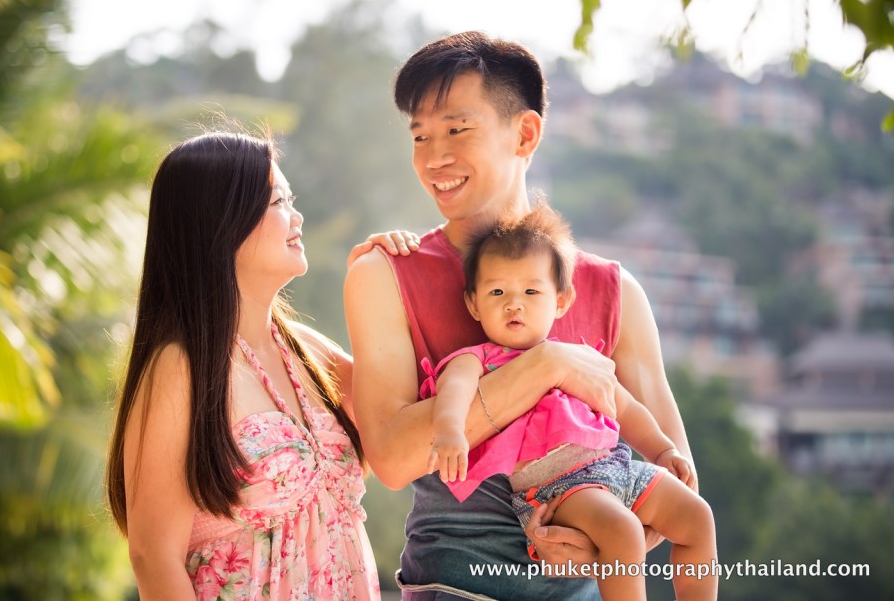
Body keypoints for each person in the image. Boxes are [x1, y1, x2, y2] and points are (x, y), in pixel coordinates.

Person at [344, 31, 699, 600]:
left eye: (458, 129)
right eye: (420, 136)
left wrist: (606, 544)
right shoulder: (386, 275)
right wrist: (546, 364)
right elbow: (389, 458)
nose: (435, 157)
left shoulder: (614, 291)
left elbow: (675, 474)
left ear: (525, 133)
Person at [105, 130, 418, 600]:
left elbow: (409, 419)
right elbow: (153, 557)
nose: (298, 216)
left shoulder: (305, 350)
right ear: (220, 223)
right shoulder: (181, 367)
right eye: (278, 202)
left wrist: (392, 280)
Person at [423, 202, 717, 600]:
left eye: (531, 291)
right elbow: (454, 391)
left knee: (697, 517)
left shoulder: (580, 360)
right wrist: (449, 431)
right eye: (497, 291)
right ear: (473, 302)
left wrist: (663, 450)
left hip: (616, 468)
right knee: (623, 531)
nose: (514, 303)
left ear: (561, 300)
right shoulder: (480, 360)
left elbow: (626, 407)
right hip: (556, 489)